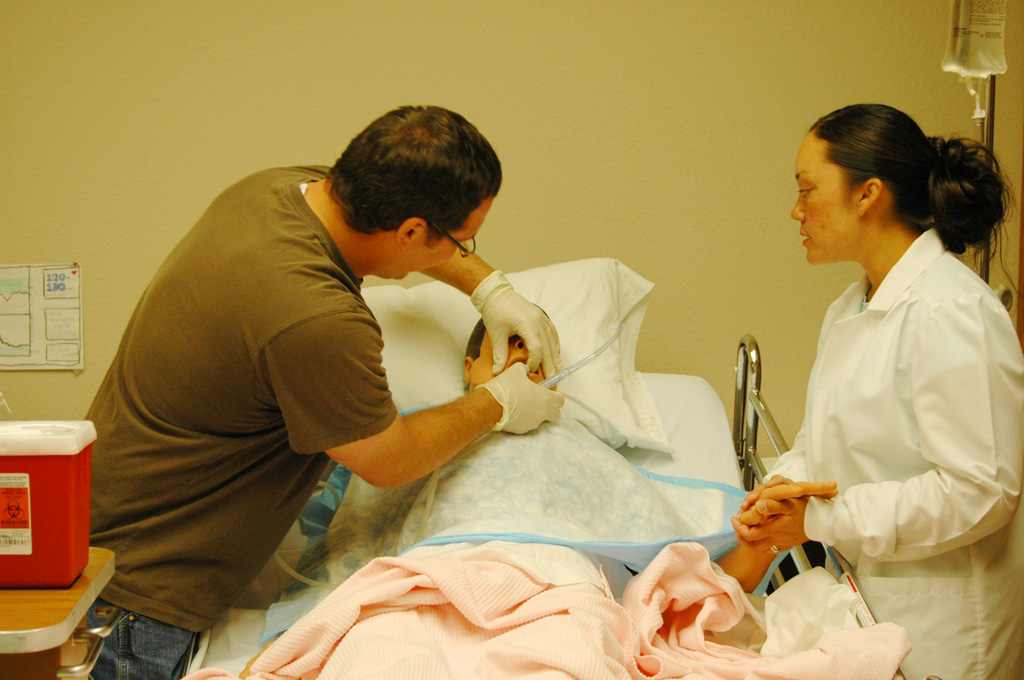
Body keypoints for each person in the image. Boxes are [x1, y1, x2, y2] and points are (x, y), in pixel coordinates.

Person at [85, 105, 565, 680]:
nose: (464, 253)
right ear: (412, 231)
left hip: (100, 544)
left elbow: (391, 232)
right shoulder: (317, 318)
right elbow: (389, 459)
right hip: (138, 604)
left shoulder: (274, 191)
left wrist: (489, 288)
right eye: (463, 240)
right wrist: (499, 401)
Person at [732, 103, 1024, 679]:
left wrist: (819, 521)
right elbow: (826, 441)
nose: (796, 210)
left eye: (807, 189)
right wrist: (781, 490)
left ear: (868, 194)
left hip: (946, 635)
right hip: (871, 612)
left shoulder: (951, 312)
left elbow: (981, 492)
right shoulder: (851, 308)